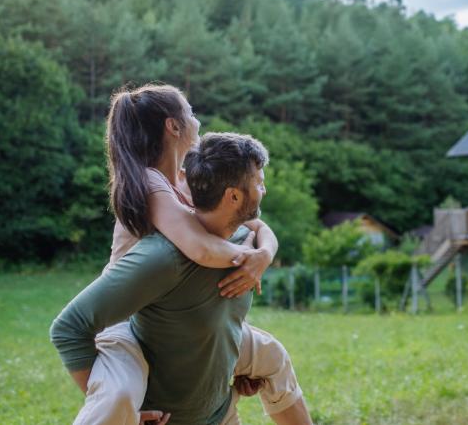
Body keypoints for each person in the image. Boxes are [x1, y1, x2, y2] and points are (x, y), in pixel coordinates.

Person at [51, 84, 311, 424]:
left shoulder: (185, 179)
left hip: (183, 318)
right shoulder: (151, 182)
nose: (197, 120)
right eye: (191, 112)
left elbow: (253, 222)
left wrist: (263, 253)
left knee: (272, 357)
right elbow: (199, 249)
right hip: (126, 320)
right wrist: (247, 257)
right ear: (173, 126)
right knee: (117, 396)